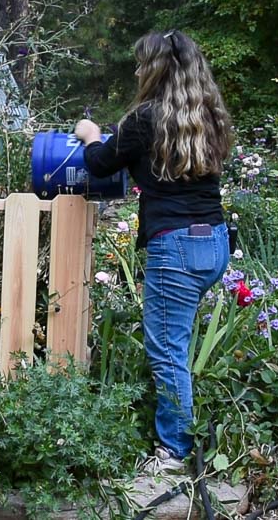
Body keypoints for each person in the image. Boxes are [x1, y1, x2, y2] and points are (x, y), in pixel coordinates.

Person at [74, 29, 232, 473]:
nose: (138, 70)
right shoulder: (210, 116)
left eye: (142, 63)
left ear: (156, 69)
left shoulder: (145, 119)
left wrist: (89, 135)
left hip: (176, 248)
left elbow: (101, 162)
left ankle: (175, 452)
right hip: (214, 242)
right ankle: (182, 433)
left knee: (168, 353)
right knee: (177, 347)